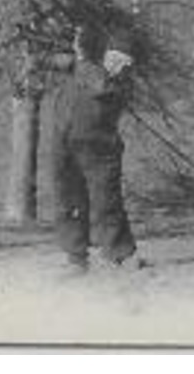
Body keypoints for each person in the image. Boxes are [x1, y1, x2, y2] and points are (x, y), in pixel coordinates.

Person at [51, 24, 138, 272]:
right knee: (68, 199)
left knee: (106, 201)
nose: (116, 64)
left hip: (100, 147)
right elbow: (53, 65)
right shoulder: (79, 69)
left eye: (121, 60)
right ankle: (76, 256)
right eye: (112, 58)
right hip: (65, 141)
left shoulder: (110, 77)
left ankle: (119, 254)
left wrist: (83, 62)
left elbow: (102, 86)